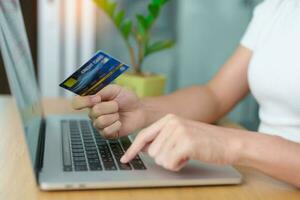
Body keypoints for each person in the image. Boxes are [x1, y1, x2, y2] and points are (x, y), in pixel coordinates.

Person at [72, 0, 300, 187]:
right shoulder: (278, 7)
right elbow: (216, 95)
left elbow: (230, 138)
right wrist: (142, 110)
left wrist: (231, 144)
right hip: (262, 182)